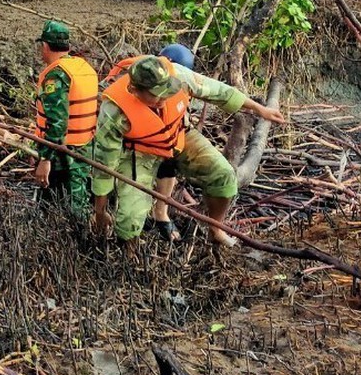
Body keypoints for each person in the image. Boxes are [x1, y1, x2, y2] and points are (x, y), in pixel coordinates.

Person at [92, 55, 285, 249]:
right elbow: (104, 164)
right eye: (155, 94)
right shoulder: (113, 111)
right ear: (135, 90)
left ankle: (216, 228)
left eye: (166, 91)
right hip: (140, 152)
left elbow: (219, 91)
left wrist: (260, 109)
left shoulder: (179, 75)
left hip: (178, 136)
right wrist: (100, 211)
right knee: (129, 221)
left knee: (224, 176)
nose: (162, 99)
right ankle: (130, 254)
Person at [102, 44, 194, 241]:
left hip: (159, 140)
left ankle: (160, 213)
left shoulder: (175, 82)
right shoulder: (135, 82)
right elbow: (105, 153)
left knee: (168, 163)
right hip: (128, 142)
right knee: (125, 192)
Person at [33, 20, 99, 217]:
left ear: (45, 46)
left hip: (62, 156)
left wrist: (45, 159)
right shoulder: (83, 67)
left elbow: (57, 123)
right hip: (85, 149)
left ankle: (71, 243)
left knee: (62, 208)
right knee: (79, 200)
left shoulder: (57, 76)